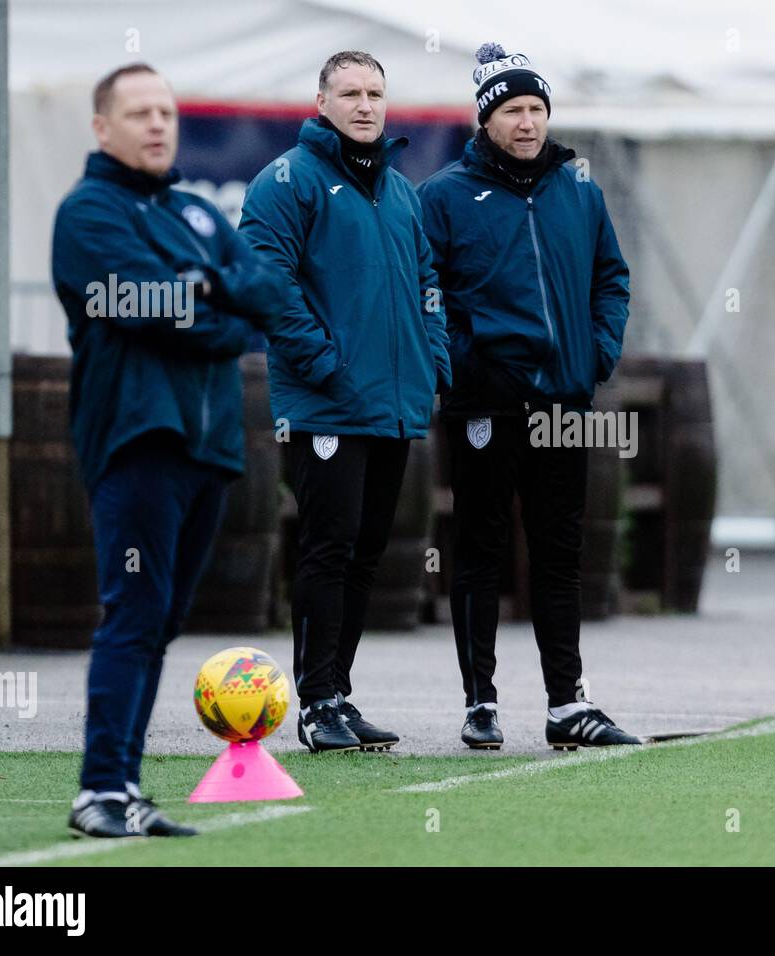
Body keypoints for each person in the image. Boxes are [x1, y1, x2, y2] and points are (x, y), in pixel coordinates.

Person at [51, 63, 280, 837]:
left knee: (161, 623)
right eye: (139, 112)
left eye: (167, 113)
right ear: (102, 127)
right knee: (134, 616)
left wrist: (208, 293)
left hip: (208, 447)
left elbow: (264, 296)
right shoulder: (87, 213)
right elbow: (155, 309)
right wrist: (218, 305)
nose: (158, 125)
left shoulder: (195, 212)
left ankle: (125, 787)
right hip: (139, 440)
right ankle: (99, 791)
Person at [419, 44, 637, 751]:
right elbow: (429, 296)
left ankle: (566, 702)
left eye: (537, 108)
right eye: (512, 109)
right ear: (485, 120)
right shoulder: (444, 196)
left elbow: (612, 279)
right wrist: (467, 366)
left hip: (565, 403)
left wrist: (597, 352)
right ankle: (480, 702)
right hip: (486, 404)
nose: (527, 121)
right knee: (480, 550)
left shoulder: (580, 191)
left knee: (559, 553)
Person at [239, 51, 451, 754]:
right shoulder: (286, 182)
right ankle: (315, 701)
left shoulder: (399, 192)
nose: (365, 105)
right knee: (326, 550)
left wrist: (433, 361)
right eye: (351, 93)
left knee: (366, 552)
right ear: (322, 101)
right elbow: (268, 284)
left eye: (376, 93)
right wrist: (325, 365)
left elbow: (428, 283)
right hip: (327, 404)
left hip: (394, 405)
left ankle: (341, 693)